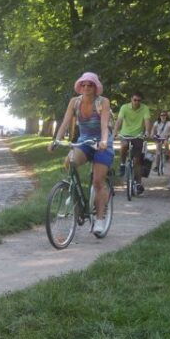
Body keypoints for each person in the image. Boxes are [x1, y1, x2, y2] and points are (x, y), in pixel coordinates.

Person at [49, 71, 114, 236]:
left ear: (95, 87)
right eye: (83, 84)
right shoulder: (74, 102)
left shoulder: (102, 102)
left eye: (90, 84)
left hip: (101, 142)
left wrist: (104, 141)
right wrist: (55, 140)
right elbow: (65, 121)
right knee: (69, 161)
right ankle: (76, 195)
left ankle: (99, 219)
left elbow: (104, 124)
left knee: (98, 182)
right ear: (80, 86)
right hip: (84, 141)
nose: (86, 87)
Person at [113, 91, 152, 194]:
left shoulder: (144, 108)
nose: (136, 102)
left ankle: (138, 183)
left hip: (138, 136)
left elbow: (147, 121)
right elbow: (119, 120)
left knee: (137, 160)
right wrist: (115, 132)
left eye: (139, 100)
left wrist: (147, 131)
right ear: (131, 99)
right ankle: (122, 164)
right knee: (124, 145)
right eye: (135, 100)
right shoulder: (124, 108)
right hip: (125, 134)